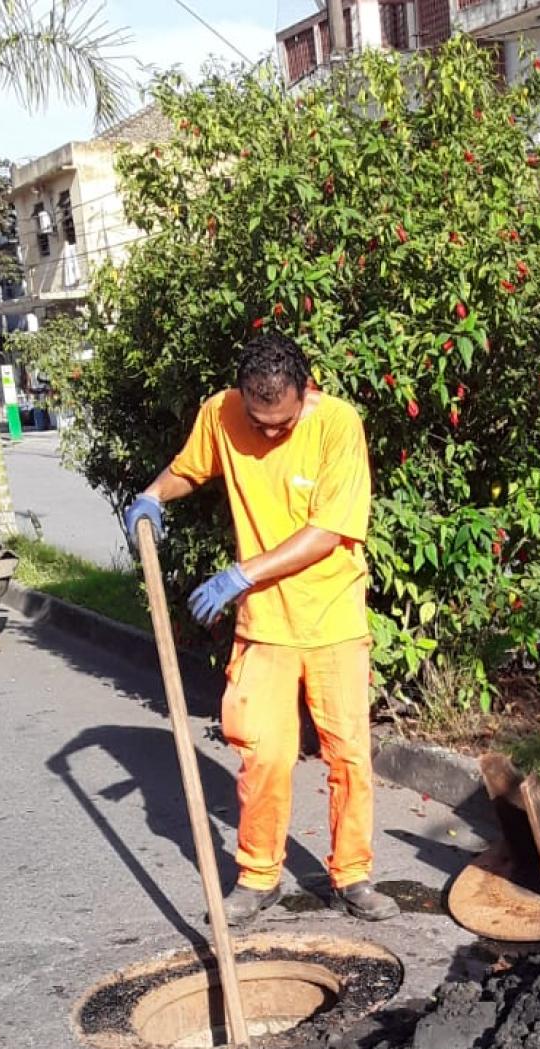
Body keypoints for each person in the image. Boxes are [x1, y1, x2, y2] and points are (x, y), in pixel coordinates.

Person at [125, 331, 398, 923]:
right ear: (242, 399)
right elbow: (189, 470)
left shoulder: (337, 426)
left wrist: (240, 574)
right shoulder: (221, 413)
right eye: (260, 421)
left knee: (349, 754)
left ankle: (352, 875)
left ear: (306, 390)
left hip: (332, 619)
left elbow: (329, 532)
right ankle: (258, 876)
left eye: (283, 423)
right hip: (265, 627)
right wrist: (152, 496)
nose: (270, 434)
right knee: (263, 755)